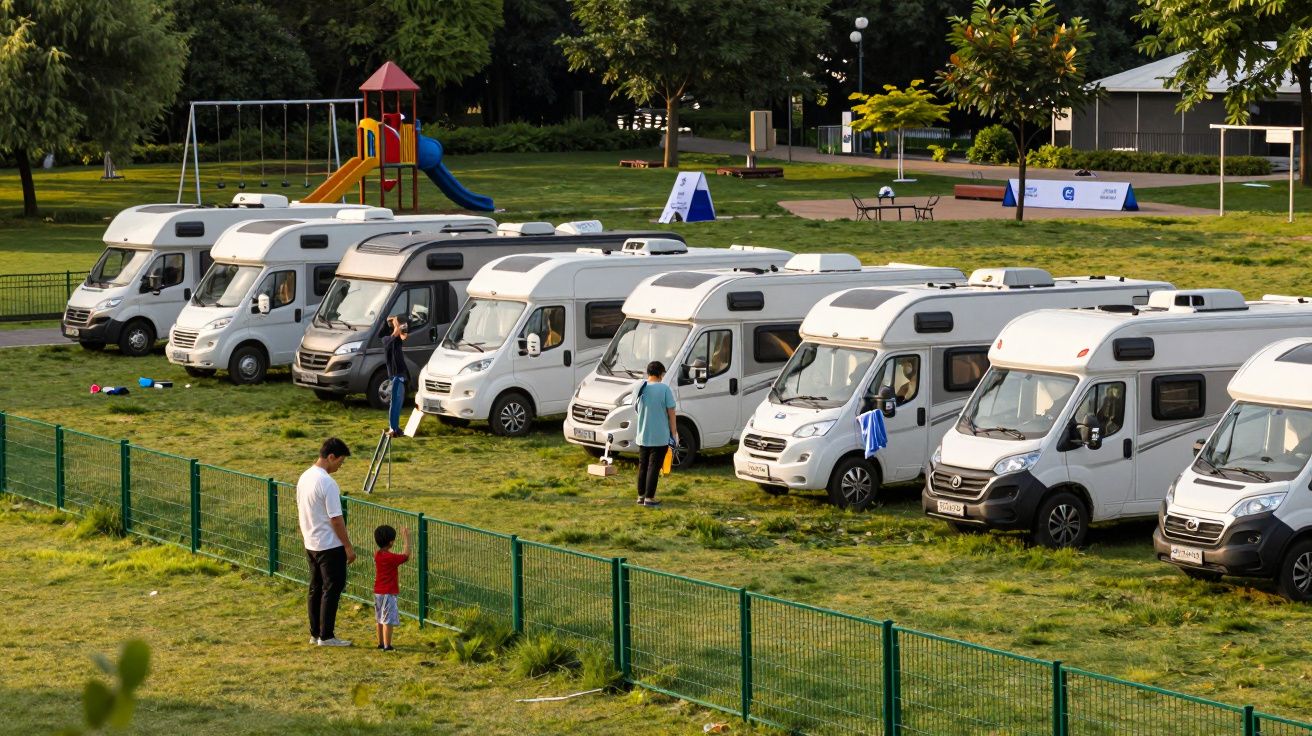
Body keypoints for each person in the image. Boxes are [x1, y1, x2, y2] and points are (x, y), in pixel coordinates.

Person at [297, 437, 354, 647]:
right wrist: (347, 546)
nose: (340, 466)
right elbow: (336, 519)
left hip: (311, 543)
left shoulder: (305, 477)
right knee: (331, 589)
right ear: (331, 457)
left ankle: (315, 633)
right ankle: (327, 636)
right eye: (340, 461)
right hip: (329, 545)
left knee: (315, 588)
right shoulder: (328, 483)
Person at [634, 360, 677, 507]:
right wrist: (674, 433)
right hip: (659, 436)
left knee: (643, 466)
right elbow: (671, 412)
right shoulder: (664, 389)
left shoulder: (640, 388)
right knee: (654, 466)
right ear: (660, 374)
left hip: (643, 434)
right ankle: (649, 497)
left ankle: (641, 496)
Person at [373, 524, 410, 651]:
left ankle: (380, 643)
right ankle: (387, 646)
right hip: (388, 593)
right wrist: (406, 538)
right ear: (391, 542)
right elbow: (406, 556)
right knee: (387, 620)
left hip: (378, 592)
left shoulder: (377, 555)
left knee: (379, 618)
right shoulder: (391, 558)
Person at [384, 314, 410, 436]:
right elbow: (388, 342)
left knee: (398, 403)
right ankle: (392, 428)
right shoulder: (386, 339)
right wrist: (396, 326)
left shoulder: (397, 340)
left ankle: (396, 428)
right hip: (395, 375)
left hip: (400, 375)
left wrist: (402, 327)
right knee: (394, 402)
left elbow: (404, 336)